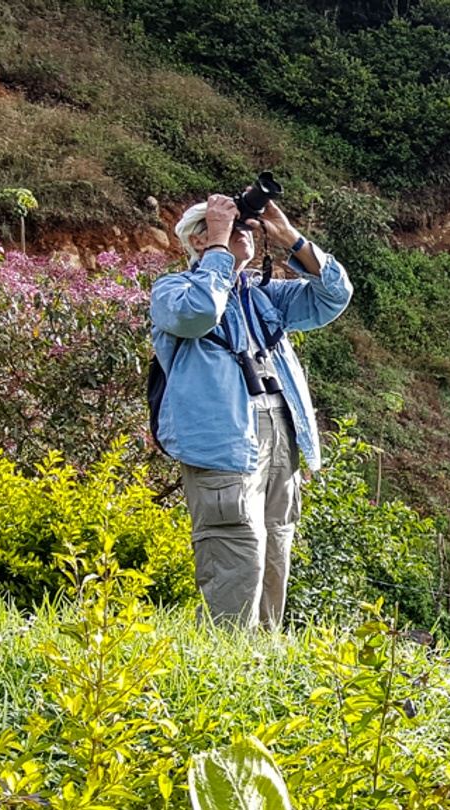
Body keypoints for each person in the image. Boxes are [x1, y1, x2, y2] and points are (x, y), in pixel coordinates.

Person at [150, 192, 352, 629]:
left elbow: (334, 295)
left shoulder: (264, 297)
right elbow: (199, 315)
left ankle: (261, 659)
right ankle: (226, 660)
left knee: (276, 545)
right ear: (198, 242)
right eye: (223, 227)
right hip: (223, 441)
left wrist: (290, 237)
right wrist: (221, 245)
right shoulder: (173, 291)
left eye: (242, 226)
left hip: (282, 431)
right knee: (236, 546)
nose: (239, 231)